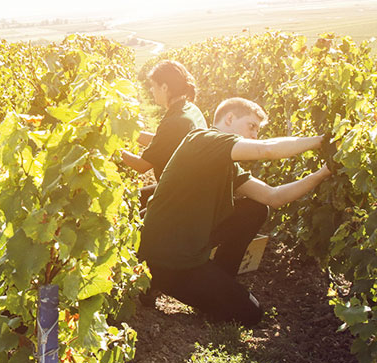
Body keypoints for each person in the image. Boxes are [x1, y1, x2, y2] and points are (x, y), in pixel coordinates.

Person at [138, 97, 333, 326]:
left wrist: (323, 173)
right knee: (250, 314)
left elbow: (274, 197)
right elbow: (267, 150)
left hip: (186, 248)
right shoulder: (204, 140)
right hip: (166, 257)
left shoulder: (227, 164)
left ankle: (218, 279)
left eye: (257, 131)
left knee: (255, 209)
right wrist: (322, 141)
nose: (254, 135)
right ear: (229, 119)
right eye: (252, 126)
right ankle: (156, 281)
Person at [120, 59, 206, 206]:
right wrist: (128, 132)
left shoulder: (175, 122)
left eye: (153, 86)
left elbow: (142, 166)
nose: (151, 90)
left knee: (134, 212)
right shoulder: (190, 109)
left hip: (180, 197)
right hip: (189, 188)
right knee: (133, 200)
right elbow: (163, 141)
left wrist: (112, 149)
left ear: (165, 87)